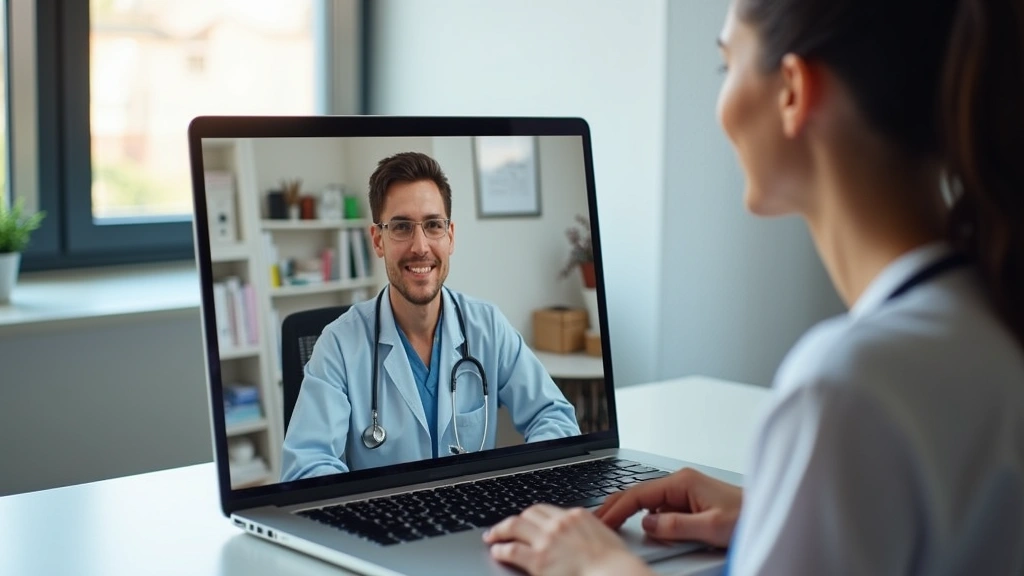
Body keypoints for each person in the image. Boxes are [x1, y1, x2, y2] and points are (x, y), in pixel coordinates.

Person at [483, 0, 1024, 574]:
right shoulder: (992, 315)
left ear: (792, 89)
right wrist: (776, 515)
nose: (718, 108)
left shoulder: (845, 387)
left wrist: (595, 564)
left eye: (726, 65)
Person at [281, 152, 580, 481]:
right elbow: (307, 464)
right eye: (401, 227)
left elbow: (555, 417)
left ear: (450, 236)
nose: (420, 246)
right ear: (378, 239)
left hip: (478, 518)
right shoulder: (338, 344)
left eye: (433, 225)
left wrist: (521, 487)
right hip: (384, 523)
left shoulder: (487, 327)